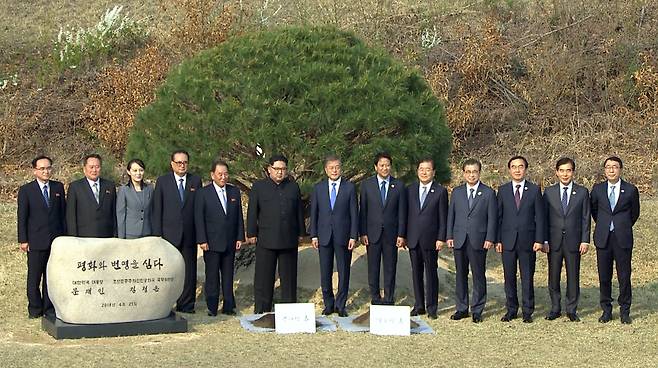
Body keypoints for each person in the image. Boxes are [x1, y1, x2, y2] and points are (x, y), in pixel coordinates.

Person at [247, 154, 305, 313]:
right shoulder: (259, 187)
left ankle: (289, 312)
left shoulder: (293, 186)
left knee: (289, 278)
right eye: (277, 169)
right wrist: (251, 232)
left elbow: (298, 211)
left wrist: (301, 232)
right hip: (266, 239)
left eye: (283, 169)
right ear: (269, 169)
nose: (280, 172)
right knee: (264, 278)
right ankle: (262, 310)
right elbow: (252, 212)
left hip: (288, 239)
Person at [590, 156, 640, 324]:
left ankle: (625, 310)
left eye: (615, 167)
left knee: (624, 276)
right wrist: (606, 225)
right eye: (608, 167)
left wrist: (621, 225)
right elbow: (594, 211)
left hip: (622, 238)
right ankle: (606, 310)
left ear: (620, 169)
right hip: (603, 238)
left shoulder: (631, 190)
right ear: (604, 170)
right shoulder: (597, 189)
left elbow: (634, 213)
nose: (611, 170)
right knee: (604, 276)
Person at [446, 158, 497, 323]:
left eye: (474, 171)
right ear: (463, 173)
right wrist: (449, 235)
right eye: (468, 172)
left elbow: (492, 218)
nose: (471, 175)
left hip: (479, 239)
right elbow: (451, 216)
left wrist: (490, 237)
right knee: (460, 275)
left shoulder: (488, 193)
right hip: (459, 239)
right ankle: (462, 308)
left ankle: (477, 310)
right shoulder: (457, 192)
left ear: (479, 172)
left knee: (478, 275)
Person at [496, 155, 545, 323]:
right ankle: (511, 309)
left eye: (521, 166)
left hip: (528, 242)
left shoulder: (534, 190)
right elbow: (498, 217)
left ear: (526, 169)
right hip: (508, 241)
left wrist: (539, 240)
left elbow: (540, 217)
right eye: (514, 167)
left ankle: (527, 311)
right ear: (509, 170)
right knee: (509, 277)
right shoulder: (502, 190)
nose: (517, 170)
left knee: (527, 277)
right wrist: (498, 240)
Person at [152, 150, 202, 314]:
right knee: (168, 271)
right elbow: (157, 208)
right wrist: (157, 234)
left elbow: (198, 210)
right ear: (172, 164)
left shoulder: (195, 181)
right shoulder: (163, 181)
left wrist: (200, 234)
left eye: (185, 162)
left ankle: (186, 305)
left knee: (189, 272)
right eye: (179, 162)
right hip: (168, 235)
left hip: (189, 234)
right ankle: (165, 305)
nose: (182, 165)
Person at [17, 155, 66, 319]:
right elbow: (22, 216)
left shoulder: (58, 187)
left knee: (50, 277)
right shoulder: (26, 190)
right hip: (35, 240)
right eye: (42, 168)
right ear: (35, 171)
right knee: (34, 278)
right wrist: (23, 240)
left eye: (48, 168)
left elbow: (62, 214)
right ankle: (35, 308)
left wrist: (65, 237)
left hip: (55, 241)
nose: (46, 171)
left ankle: (48, 308)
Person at [309, 154, 358, 317]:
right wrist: (313, 235)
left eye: (337, 167)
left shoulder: (349, 187)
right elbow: (314, 213)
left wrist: (353, 236)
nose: (334, 170)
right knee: (325, 271)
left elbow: (354, 213)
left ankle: (341, 305)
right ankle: (328, 304)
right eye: (331, 167)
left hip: (343, 236)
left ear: (341, 168)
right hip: (323, 235)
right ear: (326, 170)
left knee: (344, 271)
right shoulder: (319, 188)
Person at [543, 157, 590, 322]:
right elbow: (544, 219)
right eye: (561, 170)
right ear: (556, 172)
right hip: (553, 242)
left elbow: (585, 218)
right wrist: (544, 241)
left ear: (573, 172)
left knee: (573, 276)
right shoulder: (548, 192)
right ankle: (555, 308)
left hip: (574, 241)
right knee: (553, 276)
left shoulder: (582, 192)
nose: (565, 174)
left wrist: (585, 240)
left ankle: (571, 309)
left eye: (568, 170)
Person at [195, 159, 244, 316]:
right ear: (212, 175)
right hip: (211, 242)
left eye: (225, 174)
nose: (223, 177)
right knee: (212, 276)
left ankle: (229, 306)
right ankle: (212, 306)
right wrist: (202, 240)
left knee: (228, 275)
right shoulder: (203, 193)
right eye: (219, 174)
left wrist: (239, 237)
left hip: (230, 241)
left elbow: (238, 217)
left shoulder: (234, 192)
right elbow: (199, 218)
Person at [359, 152, 407, 305]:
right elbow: (363, 211)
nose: (385, 168)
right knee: (373, 267)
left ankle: (389, 297)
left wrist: (401, 234)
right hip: (372, 233)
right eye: (382, 165)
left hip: (391, 234)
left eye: (387, 165)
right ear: (376, 167)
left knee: (390, 267)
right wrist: (363, 232)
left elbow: (402, 212)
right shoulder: (367, 185)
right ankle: (375, 297)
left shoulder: (398, 185)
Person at [405, 158, 447, 319]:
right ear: (417, 171)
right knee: (416, 273)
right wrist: (403, 235)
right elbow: (405, 214)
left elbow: (443, 217)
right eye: (421, 169)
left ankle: (432, 307)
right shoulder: (410, 190)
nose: (424, 172)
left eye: (427, 169)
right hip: (413, 238)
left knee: (431, 273)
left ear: (433, 172)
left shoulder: (440, 191)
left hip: (431, 239)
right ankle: (419, 305)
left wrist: (441, 238)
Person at [66, 153, 116, 237]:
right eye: (91, 167)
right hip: (84, 237)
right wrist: (73, 238)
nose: (94, 170)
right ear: (84, 169)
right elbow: (71, 216)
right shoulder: (75, 187)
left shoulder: (109, 186)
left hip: (106, 237)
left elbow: (113, 213)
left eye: (97, 167)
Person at [116, 159, 153, 239]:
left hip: (147, 234)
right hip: (130, 235)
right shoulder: (124, 190)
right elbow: (121, 216)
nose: (138, 173)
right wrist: (121, 239)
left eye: (141, 170)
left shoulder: (149, 189)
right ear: (129, 172)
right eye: (135, 170)